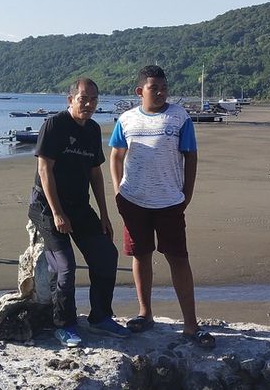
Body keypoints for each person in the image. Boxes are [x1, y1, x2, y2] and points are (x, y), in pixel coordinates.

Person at [109, 64, 215, 348]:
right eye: (153, 88)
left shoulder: (179, 117)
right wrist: (118, 190)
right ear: (139, 91)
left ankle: (191, 325)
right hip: (133, 201)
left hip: (169, 201)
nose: (160, 93)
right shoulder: (126, 119)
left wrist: (187, 193)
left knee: (178, 259)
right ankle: (145, 314)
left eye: (164, 88)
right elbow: (116, 156)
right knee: (140, 256)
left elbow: (190, 156)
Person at [28, 77, 129, 348]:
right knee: (65, 267)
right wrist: (58, 213)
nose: (89, 104)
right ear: (70, 99)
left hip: (80, 207)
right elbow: (44, 170)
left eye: (94, 99)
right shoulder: (54, 125)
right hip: (46, 209)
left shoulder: (93, 130)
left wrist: (105, 215)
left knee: (106, 255)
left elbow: (96, 173)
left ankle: (100, 317)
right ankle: (64, 324)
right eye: (83, 98)